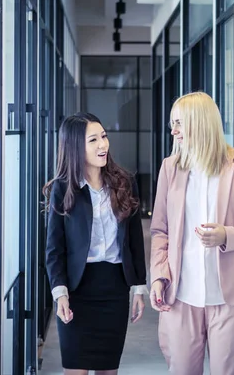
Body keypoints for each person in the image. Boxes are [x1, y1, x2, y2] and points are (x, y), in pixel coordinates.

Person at [149, 91, 234, 375]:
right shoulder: (170, 168)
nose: (174, 131)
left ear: (200, 123)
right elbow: (159, 230)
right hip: (180, 294)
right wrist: (157, 276)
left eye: (179, 123)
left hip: (228, 299)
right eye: (172, 124)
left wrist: (226, 235)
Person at [44, 113, 148, 375]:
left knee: (107, 371)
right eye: (93, 140)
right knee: (75, 370)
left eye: (104, 136)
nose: (103, 145)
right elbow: (54, 250)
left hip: (113, 289)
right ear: (75, 146)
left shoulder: (125, 183)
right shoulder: (63, 189)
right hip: (77, 291)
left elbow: (134, 241)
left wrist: (138, 287)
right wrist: (60, 294)